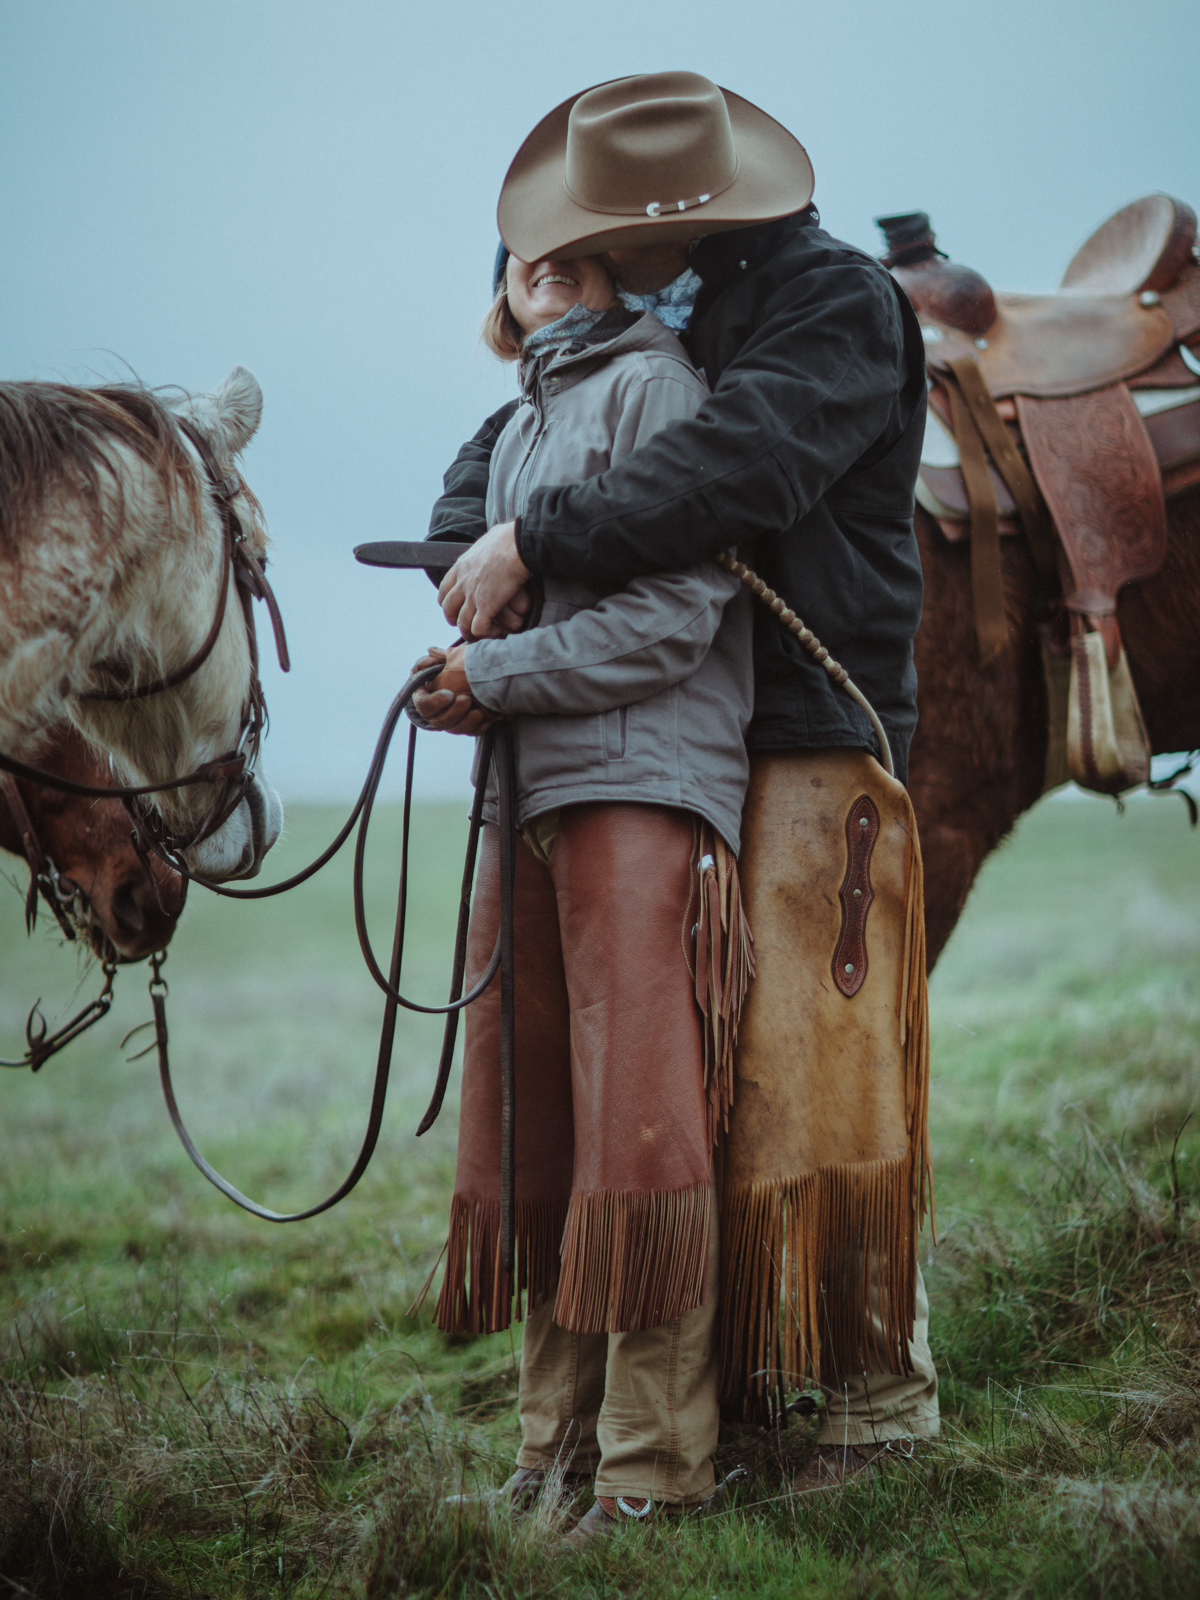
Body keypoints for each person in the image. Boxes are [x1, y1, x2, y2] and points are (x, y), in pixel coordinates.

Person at [420, 72, 940, 1489]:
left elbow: (740, 468)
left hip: (812, 717)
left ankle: (872, 1401)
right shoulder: (671, 316)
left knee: (810, 1082)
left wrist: (531, 549)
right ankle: (745, 1397)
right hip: (696, 728)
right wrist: (491, 535)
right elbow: (488, 467)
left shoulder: (829, 302)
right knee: (704, 1087)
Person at [413, 243, 757, 1542]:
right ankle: (554, 1444)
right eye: (514, 249)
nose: (542, 259)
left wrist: (494, 680)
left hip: (639, 783)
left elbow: (676, 622)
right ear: (498, 287)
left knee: (637, 1130)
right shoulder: (523, 424)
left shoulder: (658, 390)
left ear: (620, 268)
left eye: (573, 243)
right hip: (535, 788)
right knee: (535, 1120)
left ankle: (656, 1464)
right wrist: (463, 674)